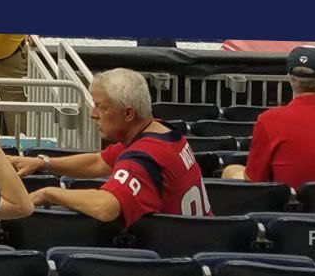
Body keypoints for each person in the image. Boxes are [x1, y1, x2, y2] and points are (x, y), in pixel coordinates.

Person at [16, 67, 209, 225]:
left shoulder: (142, 157)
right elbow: (98, 162)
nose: (93, 113)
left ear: (128, 114)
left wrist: (48, 193)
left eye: (101, 107)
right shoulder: (162, 133)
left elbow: (105, 207)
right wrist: (42, 163)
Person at [221, 47, 315, 187]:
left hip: (291, 214)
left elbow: (253, 182)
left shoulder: (269, 121)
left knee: (231, 171)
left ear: (291, 82)